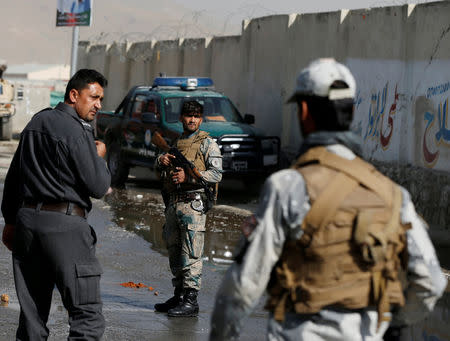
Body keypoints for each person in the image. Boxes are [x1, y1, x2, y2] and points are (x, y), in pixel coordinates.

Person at [210, 58, 447, 340]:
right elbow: (430, 282)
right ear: (352, 110)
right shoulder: (394, 194)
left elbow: (242, 286)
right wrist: (391, 324)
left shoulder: (288, 187)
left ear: (305, 111)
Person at [1, 69, 111, 340]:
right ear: (74, 95)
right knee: (87, 317)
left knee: (32, 318)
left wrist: (11, 222)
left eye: (101, 99)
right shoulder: (77, 131)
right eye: (94, 97)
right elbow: (98, 186)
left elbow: (14, 177)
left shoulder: (36, 123)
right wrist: (99, 156)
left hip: (28, 224)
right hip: (65, 226)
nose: (98, 105)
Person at [155, 100, 222, 317]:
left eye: (196, 116)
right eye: (188, 115)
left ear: (201, 119)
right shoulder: (177, 142)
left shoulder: (208, 143)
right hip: (174, 203)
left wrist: (191, 177)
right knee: (174, 251)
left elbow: (217, 174)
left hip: (193, 204)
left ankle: (191, 300)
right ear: (181, 118)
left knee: (191, 252)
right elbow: (161, 167)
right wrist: (162, 159)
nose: (192, 119)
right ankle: (179, 295)